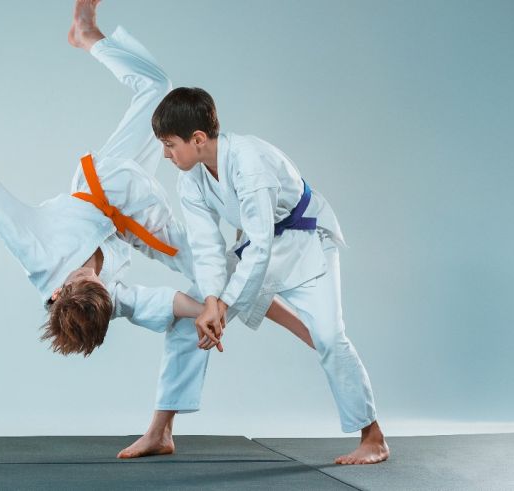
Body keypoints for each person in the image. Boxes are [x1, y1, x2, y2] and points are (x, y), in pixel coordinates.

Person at [0, 0, 314, 458]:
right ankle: (164, 428)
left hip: (106, 184)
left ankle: (86, 34)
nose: (93, 276)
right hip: (127, 216)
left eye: (86, 280)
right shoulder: (103, 302)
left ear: (58, 291)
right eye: (98, 285)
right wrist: (208, 313)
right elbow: (164, 302)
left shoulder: (36, 254)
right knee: (202, 299)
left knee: (159, 90)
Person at [147, 80, 390, 463]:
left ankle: (372, 437)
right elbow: (208, 246)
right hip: (259, 249)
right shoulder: (190, 178)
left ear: (196, 139)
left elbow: (260, 245)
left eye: (169, 144)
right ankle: (161, 431)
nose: (165, 154)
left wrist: (223, 306)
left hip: (306, 245)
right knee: (188, 315)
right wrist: (211, 301)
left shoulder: (249, 162)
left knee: (329, 337)